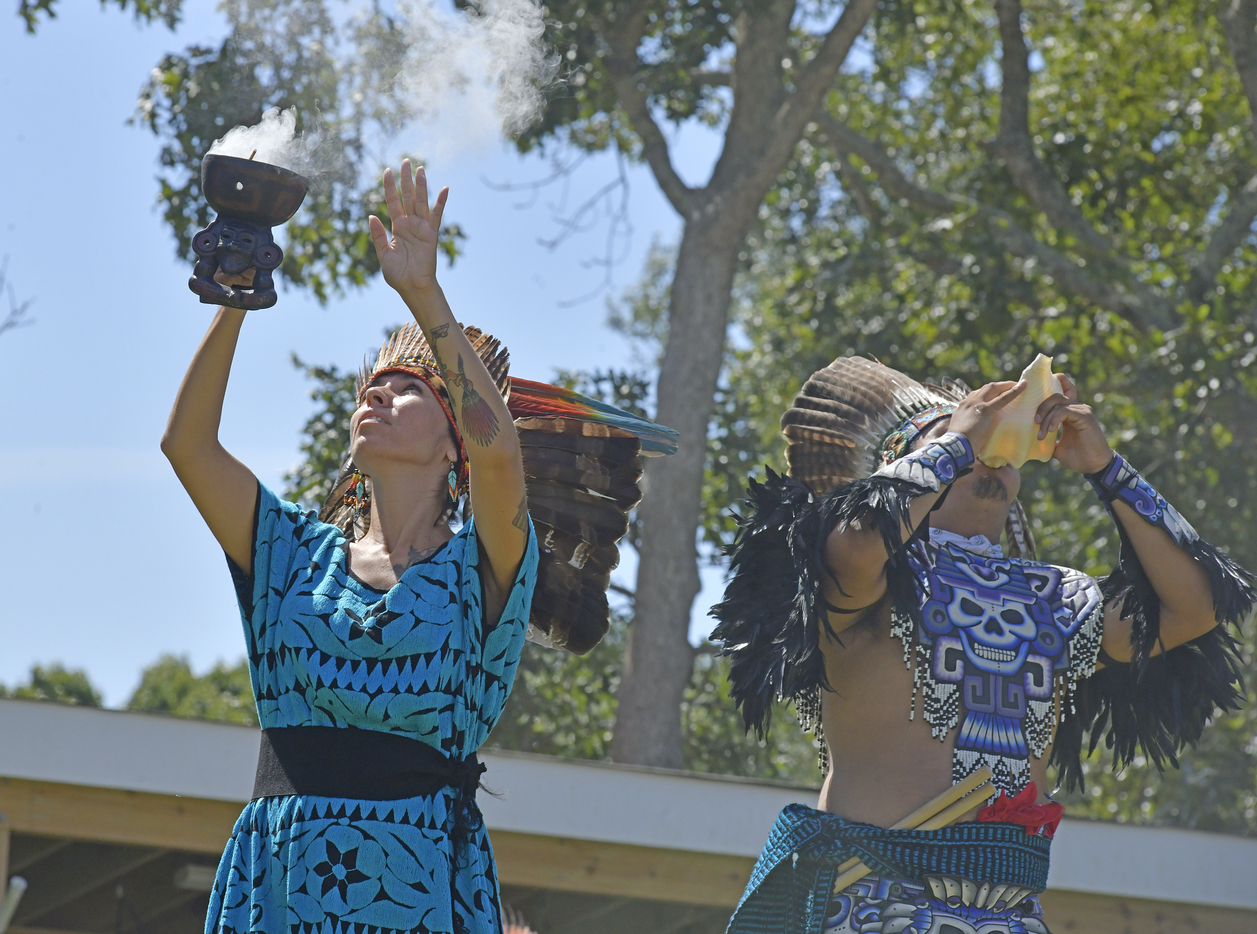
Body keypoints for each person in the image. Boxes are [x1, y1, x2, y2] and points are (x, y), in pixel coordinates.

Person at [161, 159, 672, 934]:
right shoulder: (293, 554)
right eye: (373, 386)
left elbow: (501, 455)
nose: (375, 393)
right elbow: (188, 448)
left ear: (453, 448)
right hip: (278, 884)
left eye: (406, 390)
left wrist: (422, 294)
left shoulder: (482, 567)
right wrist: (236, 295)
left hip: (424, 889)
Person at [711, 357, 1253, 933]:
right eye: (955, 439)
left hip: (1010, 916)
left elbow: (1197, 605)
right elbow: (856, 544)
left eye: (996, 442)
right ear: (908, 463)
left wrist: (1105, 466)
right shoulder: (866, 574)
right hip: (867, 909)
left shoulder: (1062, 598)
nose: (988, 450)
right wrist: (956, 442)